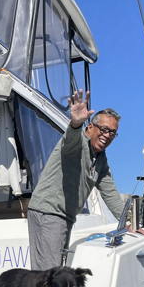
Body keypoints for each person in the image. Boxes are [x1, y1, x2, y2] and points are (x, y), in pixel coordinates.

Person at [27, 90, 126, 270]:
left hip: (64, 217)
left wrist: (127, 223)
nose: (108, 135)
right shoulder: (78, 142)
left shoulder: (100, 159)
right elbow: (69, 140)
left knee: (54, 272)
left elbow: (109, 192)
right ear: (90, 128)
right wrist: (75, 124)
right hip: (49, 211)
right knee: (48, 274)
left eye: (113, 133)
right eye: (104, 129)